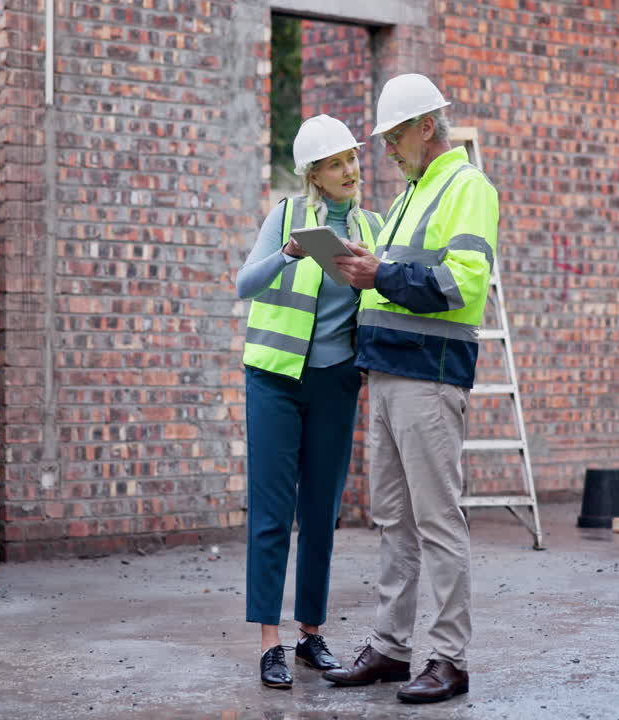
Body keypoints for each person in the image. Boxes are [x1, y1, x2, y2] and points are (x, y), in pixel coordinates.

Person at [323, 73, 499, 704]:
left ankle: (449, 658)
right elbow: (396, 279)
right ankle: (392, 649)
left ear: (427, 127)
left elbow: (463, 286)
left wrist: (383, 273)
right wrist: (361, 268)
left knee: (436, 519)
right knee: (394, 519)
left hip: (429, 376)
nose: (386, 151)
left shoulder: (467, 187)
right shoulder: (410, 194)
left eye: (393, 137)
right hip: (391, 373)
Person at [235, 114, 384, 690]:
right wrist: (291, 254)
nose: (350, 170)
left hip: (336, 383)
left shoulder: (374, 224)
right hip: (273, 379)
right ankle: (269, 641)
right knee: (272, 512)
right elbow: (245, 284)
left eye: (352, 158)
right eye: (336, 163)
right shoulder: (286, 217)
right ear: (314, 175)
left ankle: (310, 634)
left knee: (321, 513)